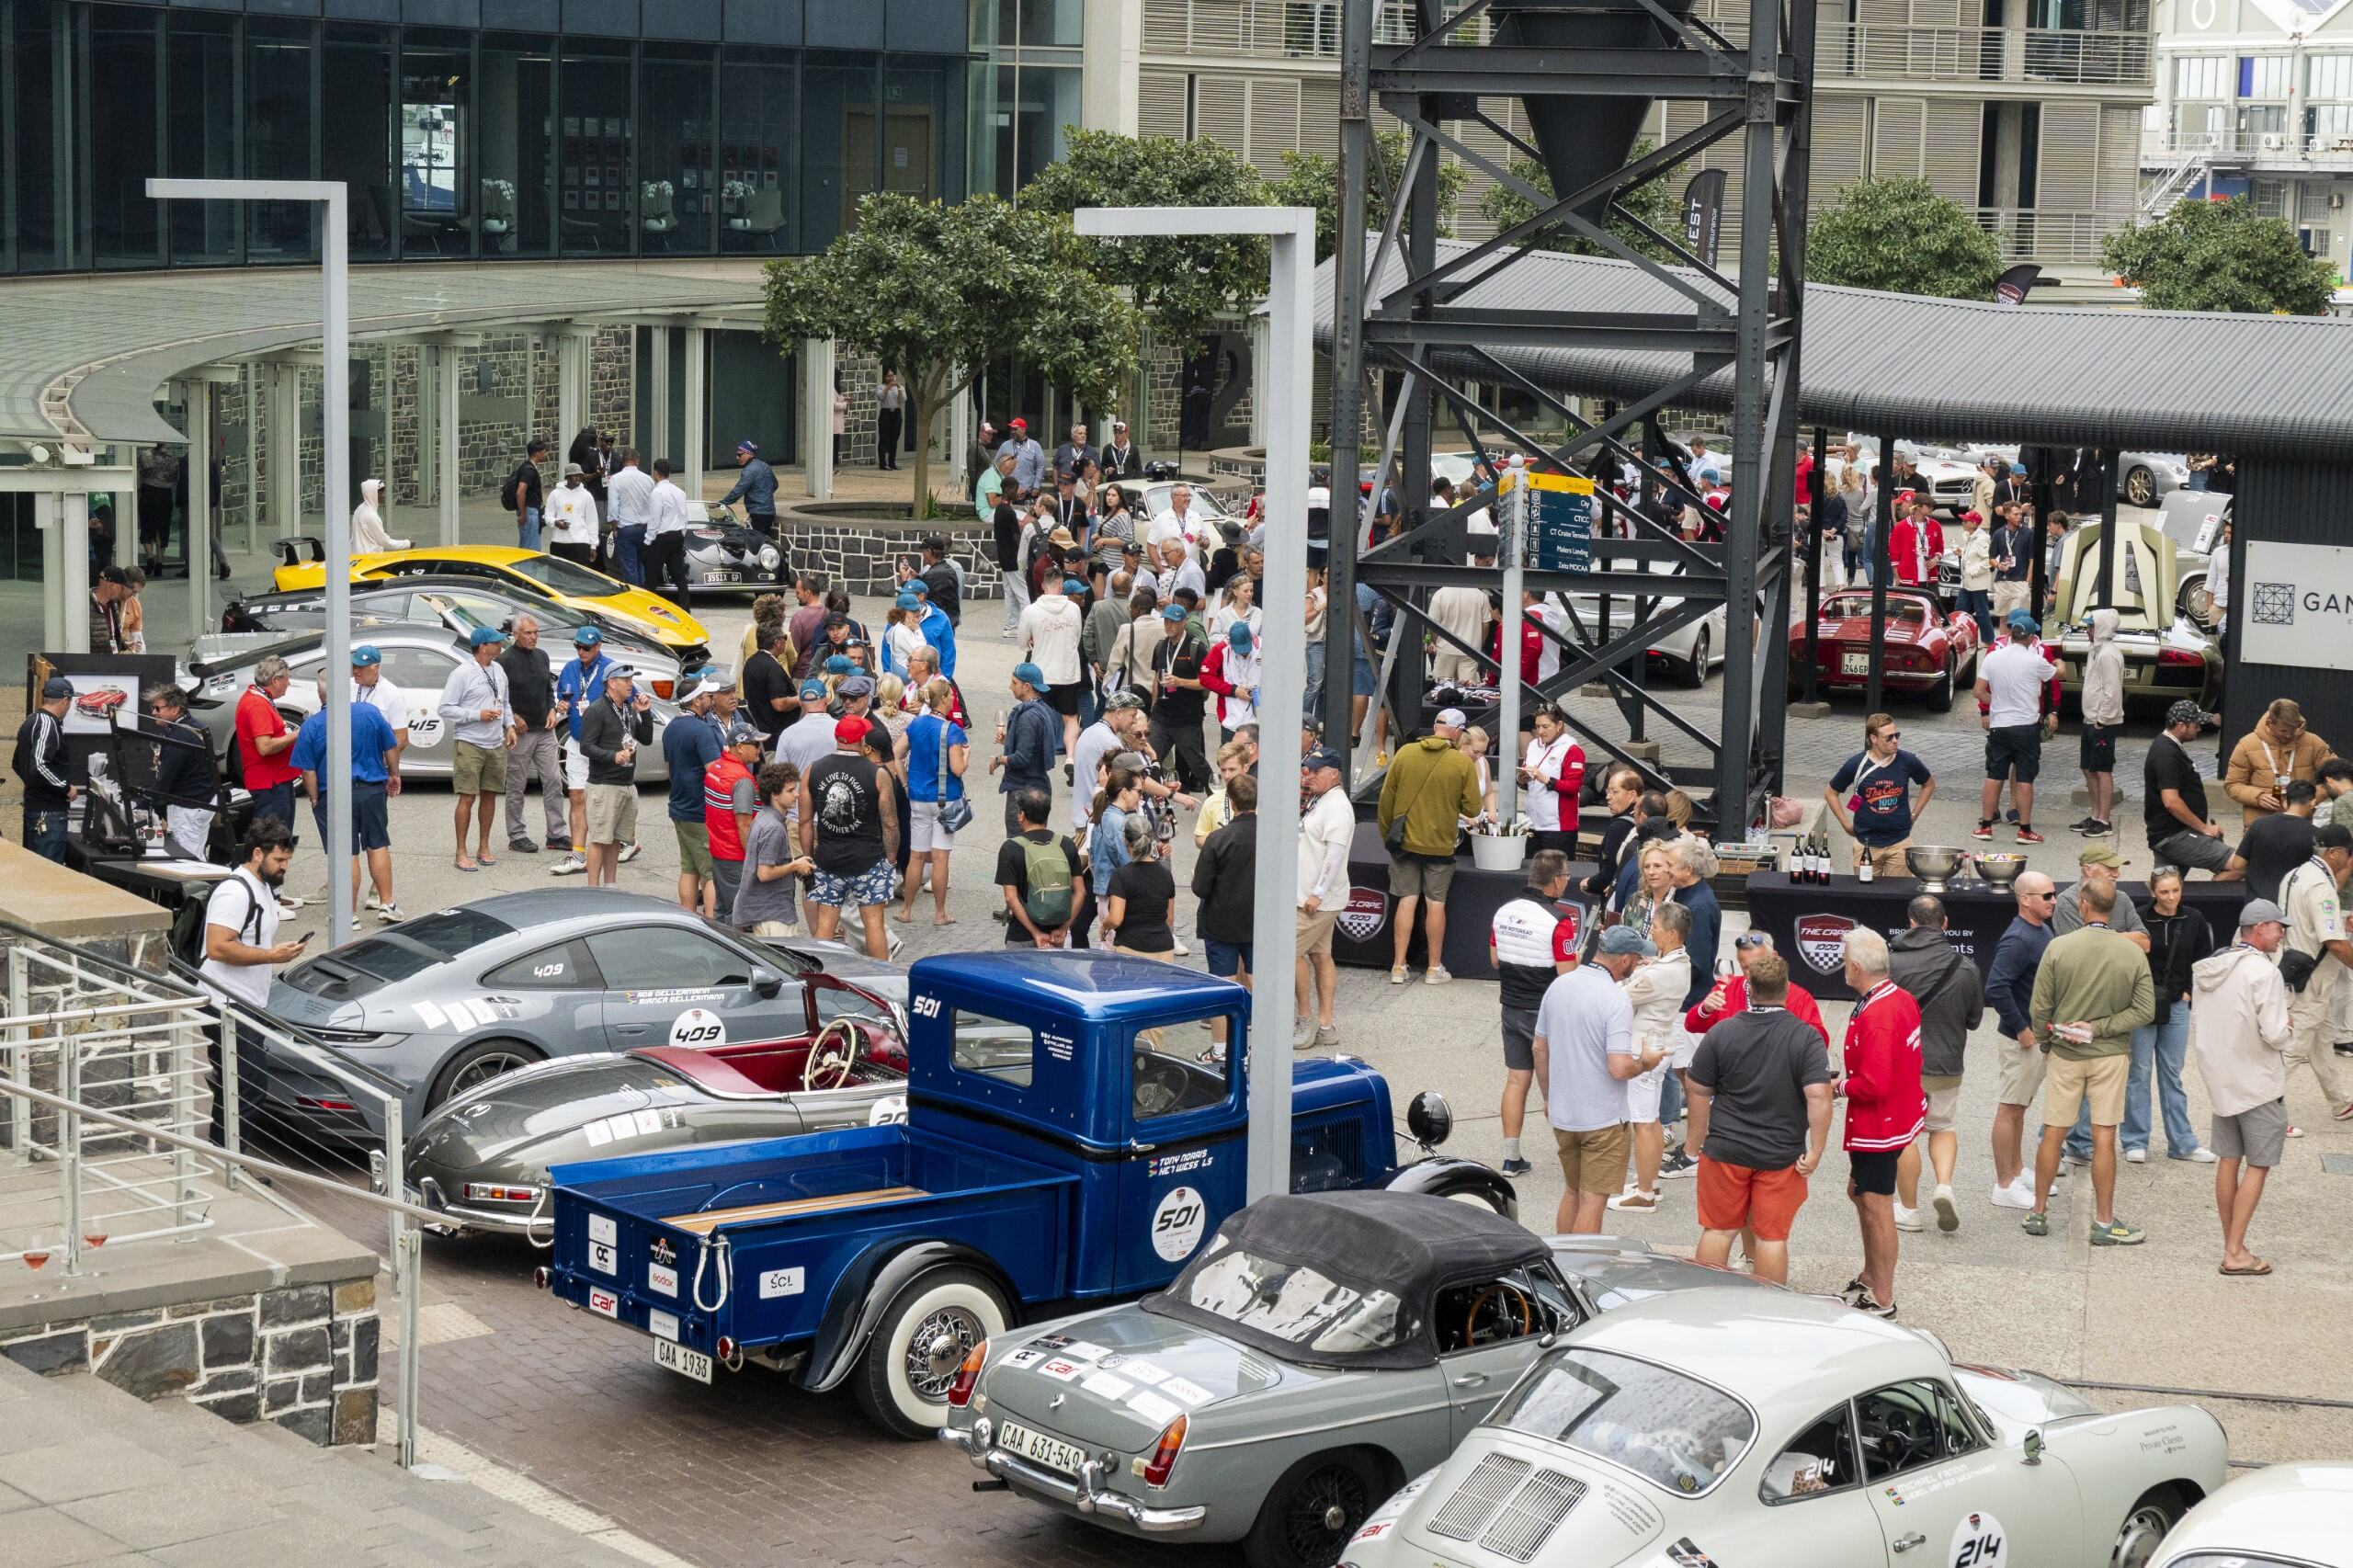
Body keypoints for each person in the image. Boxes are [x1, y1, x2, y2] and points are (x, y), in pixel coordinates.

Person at [1687, 953, 1835, 1288]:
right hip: (1781, 1155)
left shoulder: (1722, 1031)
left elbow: (1696, 1088)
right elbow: (1819, 1096)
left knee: (1718, 1230)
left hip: (1725, 1150)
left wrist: (1695, 1142)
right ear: (1787, 989)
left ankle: (1701, 1302)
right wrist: (1816, 1150)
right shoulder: (1805, 1037)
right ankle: (1769, 1309)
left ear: (1749, 989)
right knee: (1771, 1238)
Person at [2026, 879, 2157, 1245]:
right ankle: (2103, 1221)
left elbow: (2040, 1006)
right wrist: (2100, 1028)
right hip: (2110, 1056)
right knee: (2104, 1137)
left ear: (2083, 904)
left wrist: (2047, 1041)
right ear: (2114, 908)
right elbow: (2145, 1010)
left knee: (2053, 1132)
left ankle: (2038, 1212)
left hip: (2065, 1054)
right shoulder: (2131, 952)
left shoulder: (2059, 947)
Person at [1535, 929, 1667, 1234]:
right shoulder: (1615, 998)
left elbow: (1539, 1048)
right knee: (1593, 1201)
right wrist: (1645, 1063)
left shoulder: (1559, 985)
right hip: (1603, 1120)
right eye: (1637, 958)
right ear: (1625, 959)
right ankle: (1583, 1263)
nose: (1638, 962)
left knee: (1572, 1191)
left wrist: (1548, 1097)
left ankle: (1562, 1259)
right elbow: (1619, 1068)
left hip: (1564, 1113)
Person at [2189, 898, 2293, 1277]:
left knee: (2228, 1160)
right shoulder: (2265, 972)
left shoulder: (2211, 968)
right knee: (2259, 1165)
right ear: (2260, 928)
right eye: (2279, 927)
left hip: (2222, 1080)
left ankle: (2233, 1244)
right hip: (2258, 1082)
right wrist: (2290, 1029)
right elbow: (2275, 1033)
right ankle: (2234, 1252)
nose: (2282, 935)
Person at [198, 821, 306, 1146]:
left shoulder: (263, 886)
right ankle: (229, 1156)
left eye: (288, 860)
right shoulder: (235, 891)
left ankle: (224, 1151)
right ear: (258, 854)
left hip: (247, 1002)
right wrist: (271, 956)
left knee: (237, 1084)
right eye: (279, 860)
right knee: (249, 1087)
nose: (284, 867)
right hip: (227, 1002)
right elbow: (218, 947)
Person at [1835, 929, 1925, 1317]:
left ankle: (1883, 1296)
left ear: (1856, 967)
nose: (1843, 967)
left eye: (1845, 961)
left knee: (1875, 1203)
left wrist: (1838, 1086)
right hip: (1893, 1117)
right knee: (1860, 1193)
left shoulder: (1878, 1013)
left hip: (1879, 1125)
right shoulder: (1898, 998)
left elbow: (1873, 1084)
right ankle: (1871, 1275)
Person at [1887, 895, 1984, 1235]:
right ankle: (1944, 1185)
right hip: (1947, 1062)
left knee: (1906, 1134)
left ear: (1911, 923)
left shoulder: (1892, 964)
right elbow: (1974, 1021)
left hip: (1904, 1063)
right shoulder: (1966, 967)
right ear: (1945, 924)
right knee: (1943, 1127)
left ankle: (1909, 1209)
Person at [1490, 848, 1581, 1178]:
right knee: (1559, 1087)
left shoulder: (1503, 912)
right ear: (1556, 881)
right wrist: (1577, 958)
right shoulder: (1559, 922)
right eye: (1566, 876)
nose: (1567, 881)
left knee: (1516, 1080)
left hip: (1511, 1007)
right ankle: (1573, 1160)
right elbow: (1568, 975)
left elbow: (1495, 961)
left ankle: (1510, 1158)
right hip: (1546, 1013)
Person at [1377, 710, 1484, 985]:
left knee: (1407, 900)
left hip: (1405, 843)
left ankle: (1398, 966)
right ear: (1458, 733)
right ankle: (1434, 969)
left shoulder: (1405, 753)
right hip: (1439, 845)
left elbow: (1386, 800)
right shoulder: (1461, 763)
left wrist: (1388, 836)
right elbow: (1473, 807)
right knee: (1436, 904)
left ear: (1435, 726)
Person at [290, 671, 404, 923]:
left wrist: (314, 799)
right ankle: (387, 903)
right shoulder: (370, 712)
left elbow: (308, 772)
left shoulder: (312, 725)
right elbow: (391, 746)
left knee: (345, 853)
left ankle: (348, 914)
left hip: (334, 794)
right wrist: (394, 774)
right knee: (377, 844)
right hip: (371, 789)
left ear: (320, 694)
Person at [2129, 869, 2217, 1165]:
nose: (2170, 897)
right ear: (2153, 891)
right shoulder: (2139, 917)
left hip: (2177, 1003)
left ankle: (2182, 1142)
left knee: (2172, 1074)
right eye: (2164, 892)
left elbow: (2204, 959)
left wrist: (2189, 991)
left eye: (2175, 890)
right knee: (2139, 1073)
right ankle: (2135, 1140)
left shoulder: (2194, 918)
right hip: (2142, 1003)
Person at [1612, 901, 1695, 1211]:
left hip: (1644, 1050)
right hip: (1657, 1046)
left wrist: (1632, 975)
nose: (1652, 932)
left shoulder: (1662, 972)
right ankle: (1651, 1183)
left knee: (1644, 1123)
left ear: (1672, 933)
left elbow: (1620, 996)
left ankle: (1644, 1194)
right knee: (1653, 1119)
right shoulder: (1676, 962)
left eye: (1657, 927)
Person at [1986, 870, 2058, 1206]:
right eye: (2047, 896)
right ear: (2025, 900)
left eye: (2053, 894)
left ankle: (2016, 1171)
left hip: (2036, 1035)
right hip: (2021, 1039)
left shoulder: (2041, 929)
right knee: (2010, 1108)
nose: (2053, 901)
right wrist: (2021, 1028)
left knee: (2020, 1107)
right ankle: (2004, 1185)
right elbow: (1996, 987)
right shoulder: (2018, 939)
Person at [801, 717, 897, 960]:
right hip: (868, 859)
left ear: (837, 738)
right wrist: (891, 859)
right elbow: (890, 823)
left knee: (825, 923)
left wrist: (808, 858)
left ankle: (820, 972)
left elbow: (804, 821)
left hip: (828, 859)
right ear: (862, 741)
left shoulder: (813, 770)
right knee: (873, 924)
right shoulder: (878, 774)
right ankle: (881, 975)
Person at [2279, 822, 2353, 1128]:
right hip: (2312, 981)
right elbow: (2334, 943)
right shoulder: (2322, 887)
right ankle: (2266, 1113)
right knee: (2294, 1048)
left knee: (2322, 1042)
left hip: (2294, 967)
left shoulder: (2295, 875)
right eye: (2349, 853)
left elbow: (2305, 921)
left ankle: (2341, 1103)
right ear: (2334, 853)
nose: (2350, 859)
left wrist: (2339, 923)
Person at [1973, 608, 2057, 845]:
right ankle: (2025, 830)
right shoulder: (2035, 660)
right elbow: (2057, 674)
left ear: (2011, 633)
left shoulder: (1993, 657)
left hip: (1999, 725)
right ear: (2030, 637)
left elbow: (1978, 691)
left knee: (1994, 775)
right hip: (2026, 726)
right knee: (2024, 778)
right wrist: (2060, 663)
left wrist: (1996, 704)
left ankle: (1985, 826)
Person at [437, 626, 516, 873]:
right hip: (470, 742)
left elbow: (505, 703)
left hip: (495, 742)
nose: (500, 646)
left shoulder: (499, 669)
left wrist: (510, 726)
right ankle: (461, 851)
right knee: (468, 797)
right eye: (496, 642)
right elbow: (445, 708)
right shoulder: (462, 673)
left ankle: (484, 847)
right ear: (483, 647)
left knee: (490, 794)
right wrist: (476, 714)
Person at [1294, 745, 1355, 1051]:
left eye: (1316, 771)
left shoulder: (1337, 807)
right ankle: (1326, 1025)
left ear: (1333, 774)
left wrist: (1317, 892)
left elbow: (1335, 855)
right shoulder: (1322, 799)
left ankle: (1305, 1019)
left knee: (1288, 953)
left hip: (1315, 900)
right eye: (1308, 770)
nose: (1309, 776)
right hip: (1313, 896)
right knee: (1320, 955)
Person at [1193, 773, 1258, 1051]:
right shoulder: (1272, 836)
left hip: (1221, 923)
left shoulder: (1217, 839)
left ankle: (1220, 1048)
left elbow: (1200, 887)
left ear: (1231, 801)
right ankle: (1264, 1042)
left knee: (1222, 986)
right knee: (1258, 981)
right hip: (1259, 922)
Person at [1826, 712, 1936, 877]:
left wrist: (1914, 815)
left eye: (1896, 735)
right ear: (1874, 739)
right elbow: (1831, 793)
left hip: (1899, 843)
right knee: (1866, 891)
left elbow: (1928, 784)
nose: (1895, 741)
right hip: (1866, 844)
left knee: (1898, 892)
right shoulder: (1857, 764)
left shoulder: (1908, 761)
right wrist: (1846, 825)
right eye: (1889, 737)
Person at [2146, 700, 2244, 880]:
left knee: (2167, 886)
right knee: (2241, 865)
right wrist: (2204, 829)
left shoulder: (2169, 747)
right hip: (2176, 836)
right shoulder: (2166, 754)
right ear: (2181, 726)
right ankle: (2213, 897)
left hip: (2171, 834)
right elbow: (2171, 801)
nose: (2199, 728)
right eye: (2196, 724)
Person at [900, 677, 969, 926]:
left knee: (916, 856)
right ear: (944, 699)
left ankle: (906, 910)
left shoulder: (916, 724)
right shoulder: (952, 730)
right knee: (940, 858)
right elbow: (957, 768)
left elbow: (897, 753)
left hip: (918, 797)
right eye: (951, 696)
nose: (953, 699)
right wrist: (966, 756)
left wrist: (905, 783)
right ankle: (940, 914)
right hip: (944, 799)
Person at [577, 665, 654, 888]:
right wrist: (613, 756)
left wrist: (645, 713)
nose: (631, 684)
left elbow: (646, 739)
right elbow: (586, 746)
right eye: (626, 680)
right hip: (604, 784)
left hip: (626, 782)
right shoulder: (597, 710)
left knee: (616, 839)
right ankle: (593, 888)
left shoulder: (627, 708)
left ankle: (610, 885)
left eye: (631, 679)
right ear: (612, 683)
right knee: (600, 839)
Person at [496, 616, 566, 854]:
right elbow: (499, 697)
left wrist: (552, 709)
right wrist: (513, 718)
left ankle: (556, 833)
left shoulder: (542, 656)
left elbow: (548, 689)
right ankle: (517, 835)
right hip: (521, 732)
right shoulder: (504, 661)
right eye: (528, 633)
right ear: (515, 634)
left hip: (544, 729)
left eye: (536, 632)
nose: (533, 637)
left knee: (554, 781)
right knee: (517, 785)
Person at [663, 674, 724, 915]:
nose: (712, 699)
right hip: (701, 810)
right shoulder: (702, 730)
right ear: (697, 700)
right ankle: (711, 921)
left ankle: (688, 916)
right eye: (708, 696)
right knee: (711, 872)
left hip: (679, 806)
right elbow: (714, 771)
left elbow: (669, 768)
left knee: (689, 868)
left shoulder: (671, 728)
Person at [2224, 699, 2330, 828]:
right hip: (2261, 824)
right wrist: (2258, 797)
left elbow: (2334, 777)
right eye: (2284, 731)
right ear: (2270, 723)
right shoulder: (2247, 745)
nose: (2289, 735)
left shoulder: (2313, 742)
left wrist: (2308, 800)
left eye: (2293, 729)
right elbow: (2232, 784)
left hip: (2300, 824)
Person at [998, 787, 1083, 949]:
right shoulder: (1065, 844)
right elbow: (1080, 892)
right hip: (1055, 935)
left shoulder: (1011, 848)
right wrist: (1063, 928)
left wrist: (1036, 933)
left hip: (1021, 935)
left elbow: (1010, 897)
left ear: (1022, 815)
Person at [735, 762, 814, 936]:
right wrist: (795, 866)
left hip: (766, 912)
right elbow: (764, 873)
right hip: (774, 915)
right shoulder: (773, 827)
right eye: (790, 790)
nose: (797, 794)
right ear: (775, 795)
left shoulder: (762, 818)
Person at [146, 684, 220, 858]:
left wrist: (147, 803)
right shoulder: (192, 726)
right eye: (152, 708)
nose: (153, 712)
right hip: (204, 799)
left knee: (187, 858)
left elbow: (166, 778)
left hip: (189, 804)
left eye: (158, 708)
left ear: (175, 709)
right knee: (197, 852)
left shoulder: (180, 735)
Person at [1147, 602, 1211, 794]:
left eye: (1173, 621)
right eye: (1166, 621)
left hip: (1187, 718)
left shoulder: (1196, 647)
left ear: (1184, 622)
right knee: (1149, 759)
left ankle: (1220, 796)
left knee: (1196, 763)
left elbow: (1207, 682)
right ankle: (1141, 800)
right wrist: (1153, 710)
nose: (1169, 625)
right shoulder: (1161, 646)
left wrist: (1180, 682)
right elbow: (1156, 679)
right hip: (1161, 716)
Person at [1021, 571, 1086, 762]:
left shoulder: (1031, 610)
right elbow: (1077, 637)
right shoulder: (1074, 609)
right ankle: (1070, 755)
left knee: (1039, 715)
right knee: (1071, 717)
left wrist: (1033, 641)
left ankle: (1040, 755)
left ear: (1043, 586)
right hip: (1067, 672)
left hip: (1042, 672)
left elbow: (1022, 642)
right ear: (1061, 585)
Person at [233, 656, 301, 836]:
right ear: (275, 681)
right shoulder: (257, 705)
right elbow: (265, 747)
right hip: (271, 784)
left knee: (277, 838)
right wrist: (297, 735)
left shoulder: (257, 698)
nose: (288, 683)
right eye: (287, 679)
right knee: (273, 840)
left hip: (273, 781)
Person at [12, 676, 76, 863]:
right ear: (65, 701)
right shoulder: (48, 723)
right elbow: (39, 765)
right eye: (70, 701)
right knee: (49, 871)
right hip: (48, 812)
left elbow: (17, 763)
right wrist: (65, 787)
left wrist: (33, 785)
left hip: (36, 808)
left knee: (35, 869)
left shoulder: (31, 720)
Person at [705, 722, 764, 920]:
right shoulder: (742, 779)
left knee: (722, 910)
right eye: (755, 744)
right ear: (739, 747)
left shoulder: (716, 768)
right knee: (737, 915)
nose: (759, 749)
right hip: (735, 856)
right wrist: (752, 860)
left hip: (718, 850)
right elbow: (744, 824)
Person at [2075, 608, 2124, 835]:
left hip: (2103, 722)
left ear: (2102, 628)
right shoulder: (2095, 650)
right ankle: (2095, 815)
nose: (2087, 630)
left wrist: (2102, 720)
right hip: (2091, 718)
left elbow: (2112, 691)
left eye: (2091, 626)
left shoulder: (2108, 655)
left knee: (2102, 770)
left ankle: (2104, 820)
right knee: (2088, 768)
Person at [993, 664, 1059, 835]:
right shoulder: (1045, 710)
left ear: (1027, 686)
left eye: (1014, 683)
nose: (1010, 686)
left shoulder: (1028, 717)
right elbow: (1036, 746)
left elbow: (1021, 759)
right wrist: (1009, 741)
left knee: (1019, 843)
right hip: (1040, 789)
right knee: (1037, 841)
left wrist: (998, 760)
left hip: (1023, 793)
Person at [1103, 813, 1175, 962]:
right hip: (1163, 950)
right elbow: (1169, 919)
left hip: (1131, 948)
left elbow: (1115, 919)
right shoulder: (1166, 874)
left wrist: (1104, 926)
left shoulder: (1121, 876)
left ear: (1126, 841)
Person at [1518, 705, 1586, 860]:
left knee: (1556, 873)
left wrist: (1546, 780)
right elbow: (1526, 774)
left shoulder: (1572, 749)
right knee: (1533, 871)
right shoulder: (1534, 745)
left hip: (1558, 829)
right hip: (1533, 825)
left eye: (1546, 726)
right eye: (1537, 726)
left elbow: (1573, 787)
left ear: (1559, 725)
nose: (1540, 731)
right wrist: (1522, 779)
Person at [2238, 779, 2319, 903]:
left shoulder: (2259, 825)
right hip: (2292, 905)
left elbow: (2238, 864)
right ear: (2312, 802)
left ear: (2285, 803)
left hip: (2256, 904)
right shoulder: (2316, 834)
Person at [642, 458, 697, 603]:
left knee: (652, 577)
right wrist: (681, 534)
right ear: (669, 473)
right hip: (677, 536)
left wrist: (648, 541)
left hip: (661, 538)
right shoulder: (680, 492)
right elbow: (685, 517)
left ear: (655, 473)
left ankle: (648, 606)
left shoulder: (657, 493)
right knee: (679, 576)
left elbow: (654, 520)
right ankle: (685, 606)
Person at [604, 449, 654, 585]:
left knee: (629, 568)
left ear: (623, 461)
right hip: (645, 528)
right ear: (637, 461)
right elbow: (653, 504)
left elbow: (613, 507)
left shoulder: (616, 479)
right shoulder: (648, 479)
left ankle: (634, 593)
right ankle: (642, 593)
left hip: (626, 528)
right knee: (640, 565)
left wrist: (614, 528)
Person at [719, 438, 778, 539]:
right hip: (769, 511)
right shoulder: (765, 466)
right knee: (761, 540)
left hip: (758, 513)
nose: (737, 457)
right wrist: (764, 494)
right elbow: (775, 485)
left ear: (749, 454)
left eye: (740, 455)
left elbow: (738, 491)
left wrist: (722, 503)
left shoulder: (749, 471)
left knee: (755, 542)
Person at [544, 463, 599, 564]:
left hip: (581, 544)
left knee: (578, 574)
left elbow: (592, 522)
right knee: (557, 574)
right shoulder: (555, 494)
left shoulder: (587, 496)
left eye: (580, 475)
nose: (578, 478)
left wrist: (593, 546)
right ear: (567, 477)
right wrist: (556, 522)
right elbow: (548, 516)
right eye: (575, 475)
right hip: (559, 542)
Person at [1954, 508, 1995, 642]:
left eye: (1966, 521)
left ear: (1974, 524)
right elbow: (1973, 554)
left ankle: (1988, 640)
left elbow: (1988, 560)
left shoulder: (1982, 539)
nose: (1963, 523)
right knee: (1959, 611)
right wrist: (1962, 552)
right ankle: (1958, 638)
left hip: (1977, 583)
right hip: (1966, 583)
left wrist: (1973, 571)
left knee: (1982, 612)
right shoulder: (1970, 537)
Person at [507, 437, 548, 551]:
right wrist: (523, 514)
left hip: (531, 511)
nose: (545, 454)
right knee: (531, 548)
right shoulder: (529, 470)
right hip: (530, 512)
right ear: (537, 453)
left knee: (528, 545)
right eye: (543, 452)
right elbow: (520, 492)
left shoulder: (526, 467)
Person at [350, 477, 408, 554]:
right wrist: (406, 544)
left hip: (358, 555)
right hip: (370, 557)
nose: (383, 496)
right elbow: (385, 542)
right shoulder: (371, 516)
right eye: (380, 493)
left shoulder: (359, 509)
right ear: (372, 494)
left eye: (383, 492)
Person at [997, 417, 1046, 496]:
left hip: (1027, 492)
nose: (1012, 432)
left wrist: (1036, 486)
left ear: (1024, 429)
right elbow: (996, 465)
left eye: (1015, 429)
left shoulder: (1035, 446)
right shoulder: (1005, 446)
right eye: (1011, 429)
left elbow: (1041, 466)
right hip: (1007, 492)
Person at [875, 371, 905, 470]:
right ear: (885, 377)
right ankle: (882, 463)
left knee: (894, 439)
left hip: (896, 413)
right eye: (888, 376)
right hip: (885, 413)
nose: (891, 378)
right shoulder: (881, 387)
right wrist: (888, 387)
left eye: (892, 376)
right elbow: (880, 397)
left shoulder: (900, 387)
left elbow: (903, 399)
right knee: (883, 439)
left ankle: (892, 462)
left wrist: (898, 387)